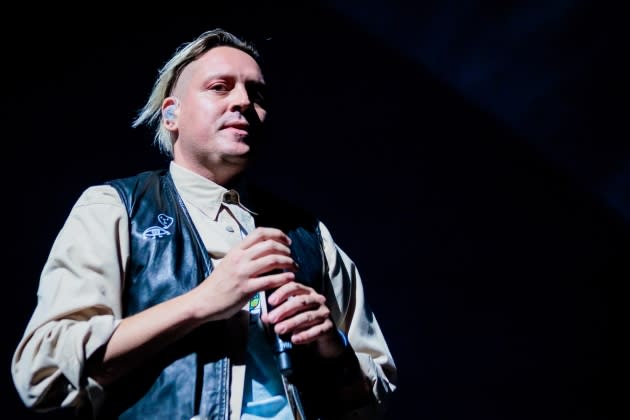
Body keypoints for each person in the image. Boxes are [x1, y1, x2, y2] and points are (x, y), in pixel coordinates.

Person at [11, 28, 397, 419]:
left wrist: (331, 345)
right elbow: (43, 372)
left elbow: (375, 394)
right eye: (219, 87)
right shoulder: (117, 209)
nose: (243, 102)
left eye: (256, 94)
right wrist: (204, 301)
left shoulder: (307, 234)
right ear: (171, 113)